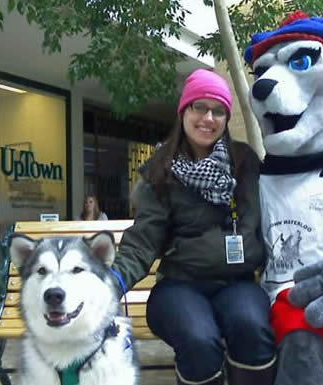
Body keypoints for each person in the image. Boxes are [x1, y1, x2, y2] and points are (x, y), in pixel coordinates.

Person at [112, 69, 276, 385]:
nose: (208, 118)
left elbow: (277, 209)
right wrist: (112, 281)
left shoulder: (245, 162)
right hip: (179, 286)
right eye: (199, 107)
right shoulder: (162, 169)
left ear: (226, 119)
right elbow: (142, 241)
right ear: (184, 111)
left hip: (237, 284)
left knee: (252, 327)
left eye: (218, 111)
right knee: (199, 339)